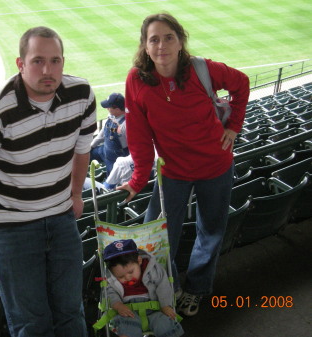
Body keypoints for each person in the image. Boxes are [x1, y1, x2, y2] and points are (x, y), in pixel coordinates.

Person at [0, 26, 96, 337]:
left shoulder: (82, 94)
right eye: (38, 61)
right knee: (31, 323)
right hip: (9, 230)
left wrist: (75, 194)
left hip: (60, 220)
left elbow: (82, 150)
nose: (48, 70)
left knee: (71, 311)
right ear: (20, 63)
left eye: (55, 61)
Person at [117, 12, 249, 317]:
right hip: (173, 171)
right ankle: (169, 285)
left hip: (215, 166)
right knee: (156, 237)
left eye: (168, 37)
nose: (161, 45)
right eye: (154, 39)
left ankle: (197, 289)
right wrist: (138, 179)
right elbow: (138, 135)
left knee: (211, 231)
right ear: (145, 47)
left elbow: (241, 84)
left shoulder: (202, 69)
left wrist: (234, 126)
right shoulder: (136, 80)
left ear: (180, 42)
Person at [103, 239, 184, 337]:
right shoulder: (111, 278)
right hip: (128, 311)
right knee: (126, 325)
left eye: (131, 272)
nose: (128, 277)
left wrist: (165, 305)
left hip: (155, 310)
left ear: (139, 260)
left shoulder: (152, 269)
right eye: (121, 277)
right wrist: (118, 305)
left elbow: (163, 286)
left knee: (164, 323)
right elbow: (110, 292)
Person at [90, 93, 129, 176]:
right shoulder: (112, 115)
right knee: (84, 154)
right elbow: (105, 131)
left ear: (118, 109)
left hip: (116, 159)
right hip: (104, 150)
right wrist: (91, 146)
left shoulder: (126, 125)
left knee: (112, 180)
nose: (107, 108)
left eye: (109, 107)